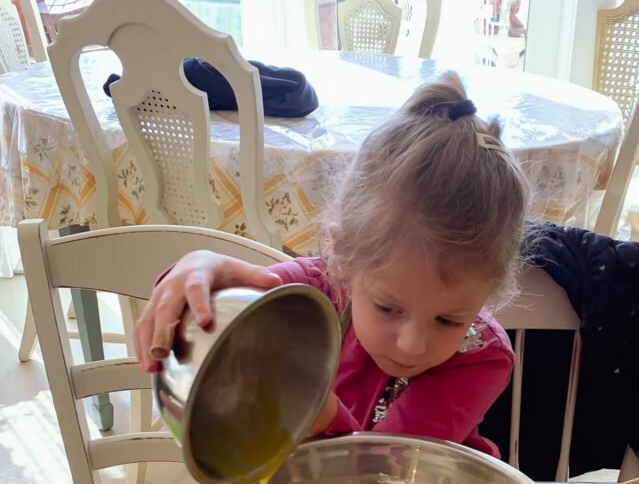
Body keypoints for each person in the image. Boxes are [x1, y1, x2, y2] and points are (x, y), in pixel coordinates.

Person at [134, 72, 529, 457]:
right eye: (387, 307)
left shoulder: (480, 358)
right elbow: (223, 315)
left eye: (448, 320)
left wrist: (319, 416)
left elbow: (382, 471)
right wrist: (194, 273)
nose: (413, 344)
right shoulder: (311, 294)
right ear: (342, 259)